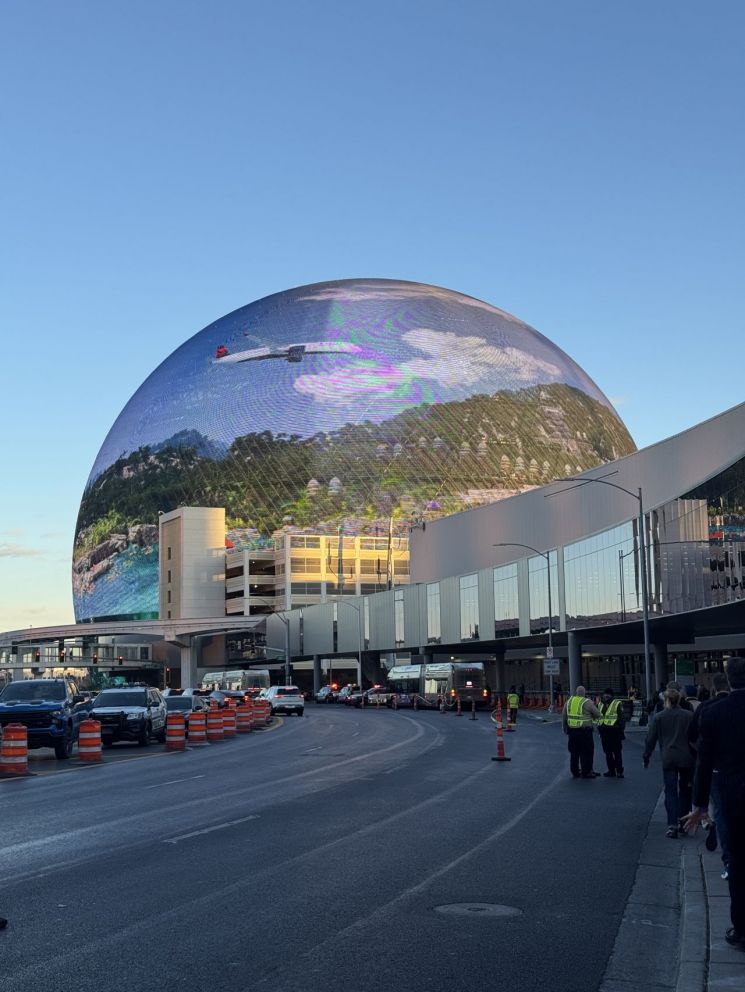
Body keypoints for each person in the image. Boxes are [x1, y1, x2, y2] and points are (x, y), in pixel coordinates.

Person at [683, 656, 745, 950]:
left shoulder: (715, 713)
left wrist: (699, 805)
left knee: (737, 859)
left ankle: (742, 928)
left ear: (728, 679)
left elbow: (704, 761)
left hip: (733, 793)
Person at [688, 671, 731, 876]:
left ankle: (729, 860)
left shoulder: (706, 708)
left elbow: (691, 735)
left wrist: (699, 753)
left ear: (713, 688)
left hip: (715, 768)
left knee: (721, 811)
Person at [643, 687, 694, 837]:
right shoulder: (688, 716)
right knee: (685, 789)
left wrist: (646, 756)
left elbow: (650, 739)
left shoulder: (659, 717)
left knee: (671, 792)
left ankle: (672, 825)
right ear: (679, 700)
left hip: (668, 758)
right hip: (686, 758)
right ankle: (684, 821)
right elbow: (695, 738)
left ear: (665, 701)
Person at [562, 686, 600, 779]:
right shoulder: (587, 702)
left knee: (574, 752)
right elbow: (597, 714)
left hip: (572, 732)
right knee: (586, 752)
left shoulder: (569, 701)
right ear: (584, 693)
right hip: (584, 732)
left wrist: (565, 728)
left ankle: (575, 772)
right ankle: (586, 772)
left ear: (576, 692)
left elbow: (564, 716)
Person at [598, 687, 626, 778]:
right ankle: (611, 771)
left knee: (617, 752)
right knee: (608, 753)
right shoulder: (600, 704)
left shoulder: (617, 704)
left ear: (611, 695)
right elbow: (599, 717)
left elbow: (622, 718)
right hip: (604, 732)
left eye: (608, 694)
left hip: (615, 732)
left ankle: (619, 771)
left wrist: (621, 730)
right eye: (605, 694)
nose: (606, 695)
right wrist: (599, 728)